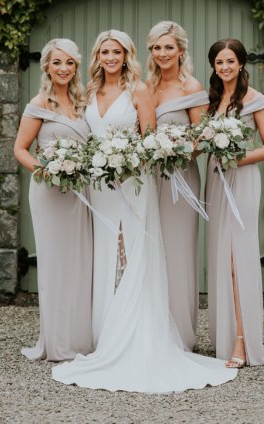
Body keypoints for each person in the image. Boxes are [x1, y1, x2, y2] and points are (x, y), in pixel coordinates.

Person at [52, 30, 237, 393]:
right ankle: (105, 332)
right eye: (104, 51)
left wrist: (127, 159)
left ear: (127, 55)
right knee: (107, 252)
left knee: (132, 250)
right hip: (100, 182)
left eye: (116, 52)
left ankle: (136, 330)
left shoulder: (138, 90)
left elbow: (149, 138)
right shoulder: (89, 92)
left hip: (133, 180)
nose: (110, 57)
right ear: (97, 56)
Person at [14, 39, 93, 361]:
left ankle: (81, 339)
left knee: (81, 261)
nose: (63, 69)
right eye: (57, 62)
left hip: (80, 192)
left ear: (76, 67)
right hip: (49, 192)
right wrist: (47, 170)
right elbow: (20, 149)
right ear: (46, 65)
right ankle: (57, 342)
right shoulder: (39, 103)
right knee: (55, 262)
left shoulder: (83, 101)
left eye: (69, 63)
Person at [205, 38, 264, 368]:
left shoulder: (254, 99)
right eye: (219, 62)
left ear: (241, 64)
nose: (224, 67)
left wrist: (240, 158)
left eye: (230, 62)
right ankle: (226, 335)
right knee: (222, 257)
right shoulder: (212, 100)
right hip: (217, 182)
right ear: (214, 66)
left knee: (238, 259)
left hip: (242, 179)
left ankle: (243, 342)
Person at [146, 21, 208, 351]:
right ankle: (155, 330)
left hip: (182, 176)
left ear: (181, 50)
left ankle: (182, 335)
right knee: (153, 250)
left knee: (179, 252)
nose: (163, 53)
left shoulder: (191, 86)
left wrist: (176, 149)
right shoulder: (147, 87)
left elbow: (201, 137)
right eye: (157, 47)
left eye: (169, 47)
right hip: (151, 177)